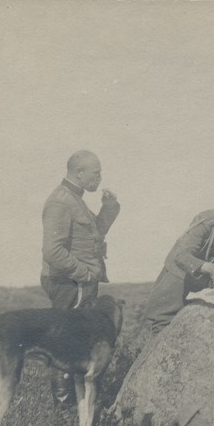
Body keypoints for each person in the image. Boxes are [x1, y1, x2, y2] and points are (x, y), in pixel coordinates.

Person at [41, 149, 121, 406]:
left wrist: (108, 208)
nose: (100, 177)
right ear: (79, 172)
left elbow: (94, 233)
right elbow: (53, 251)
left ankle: (76, 403)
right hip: (70, 283)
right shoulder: (60, 202)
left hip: (80, 282)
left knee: (76, 340)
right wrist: (84, 274)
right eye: (96, 172)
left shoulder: (76, 199)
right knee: (65, 342)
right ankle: (64, 408)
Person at [144, 195, 214, 335]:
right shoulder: (206, 221)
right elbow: (181, 256)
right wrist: (209, 268)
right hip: (181, 272)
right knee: (161, 322)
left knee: (206, 321)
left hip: (209, 276)